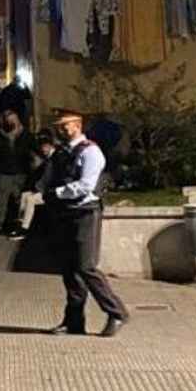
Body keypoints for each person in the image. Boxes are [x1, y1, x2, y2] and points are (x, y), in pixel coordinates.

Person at [43, 110, 130, 337]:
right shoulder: (61, 153)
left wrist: (57, 193)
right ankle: (73, 321)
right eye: (58, 126)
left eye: (65, 125)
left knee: (86, 266)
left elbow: (86, 185)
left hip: (85, 212)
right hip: (66, 213)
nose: (61, 129)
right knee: (70, 270)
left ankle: (117, 312)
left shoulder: (91, 152)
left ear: (77, 125)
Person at [0, 110, 35, 236]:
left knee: (20, 202)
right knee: (1, 201)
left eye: (13, 119)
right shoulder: (0, 135)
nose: (11, 122)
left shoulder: (26, 135)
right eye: (8, 120)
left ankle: (17, 224)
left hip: (21, 173)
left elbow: (32, 153)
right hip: (4, 173)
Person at [12, 133, 59, 240]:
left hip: (51, 191)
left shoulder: (53, 158)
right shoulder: (48, 158)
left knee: (30, 199)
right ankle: (20, 223)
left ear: (50, 146)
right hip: (45, 189)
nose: (43, 149)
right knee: (25, 195)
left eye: (45, 146)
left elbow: (48, 177)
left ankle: (24, 229)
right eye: (42, 147)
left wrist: (38, 189)